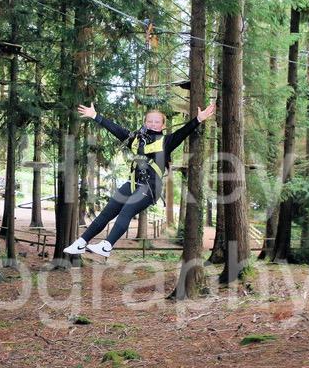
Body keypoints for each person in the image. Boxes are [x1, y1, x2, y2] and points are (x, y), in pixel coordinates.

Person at [64, 101, 216, 258]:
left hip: (150, 187)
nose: (153, 124)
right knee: (107, 212)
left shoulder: (166, 142)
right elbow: (117, 130)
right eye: (150, 121)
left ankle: (106, 246)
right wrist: (95, 116)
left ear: (163, 125)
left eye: (157, 121)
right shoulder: (136, 140)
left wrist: (199, 119)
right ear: (145, 122)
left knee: (126, 211)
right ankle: (81, 242)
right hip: (132, 183)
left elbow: (183, 132)